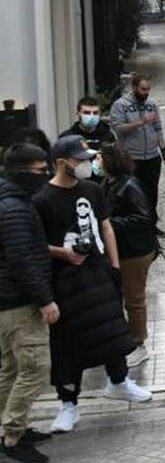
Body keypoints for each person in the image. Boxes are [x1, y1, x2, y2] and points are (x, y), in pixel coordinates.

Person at [34, 137, 150, 435]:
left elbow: (105, 226)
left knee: (111, 328)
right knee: (66, 343)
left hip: (98, 270)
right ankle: (68, 402)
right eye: (80, 159)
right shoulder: (42, 199)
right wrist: (64, 254)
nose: (86, 164)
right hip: (64, 277)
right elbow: (35, 243)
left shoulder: (92, 189)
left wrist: (114, 265)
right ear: (62, 162)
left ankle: (119, 380)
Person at [0, 144, 59, 462]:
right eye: (40, 170)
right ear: (23, 172)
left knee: (11, 368)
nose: (45, 175)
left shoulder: (11, 201)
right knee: (34, 367)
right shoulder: (16, 208)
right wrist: (45, 299)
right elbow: (22, 259)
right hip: (19, 303)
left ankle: (11, 427)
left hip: (8, 301)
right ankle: (13, 435)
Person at [96, 146, 158, 369]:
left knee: (134, 298)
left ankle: (138, 344)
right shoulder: (108, 184)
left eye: (99, 158)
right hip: (120, 250)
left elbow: (143, 217)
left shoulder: (129, 186)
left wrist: (109, 224)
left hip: (134, 251)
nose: (96, 162)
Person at [109, 74, 165, 234]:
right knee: (133, 192)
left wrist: (163, 149)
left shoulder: (151, 104)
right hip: (131, 157)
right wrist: (140, 122)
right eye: (143, 89)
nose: (146, 93)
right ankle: (134, 225)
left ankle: (151, 224)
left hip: (152, 156)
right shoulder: (120, 105)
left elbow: (157, 128)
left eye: (148, 89)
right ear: (134, 87)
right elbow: (117, 128)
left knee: (152, 192)